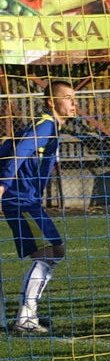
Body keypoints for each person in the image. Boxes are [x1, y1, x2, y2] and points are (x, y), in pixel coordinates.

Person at [0, 79, 77, 333]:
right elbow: (19, 152)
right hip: (19, 199)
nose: (73, 103)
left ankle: (27, 314)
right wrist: (3, 183)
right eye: (67, 97)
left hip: (28, 199)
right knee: (50, 252)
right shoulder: (45, 126)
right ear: (51, 102)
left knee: (56, 251)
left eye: (74, 97)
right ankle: (25, 318)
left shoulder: (50, 127)